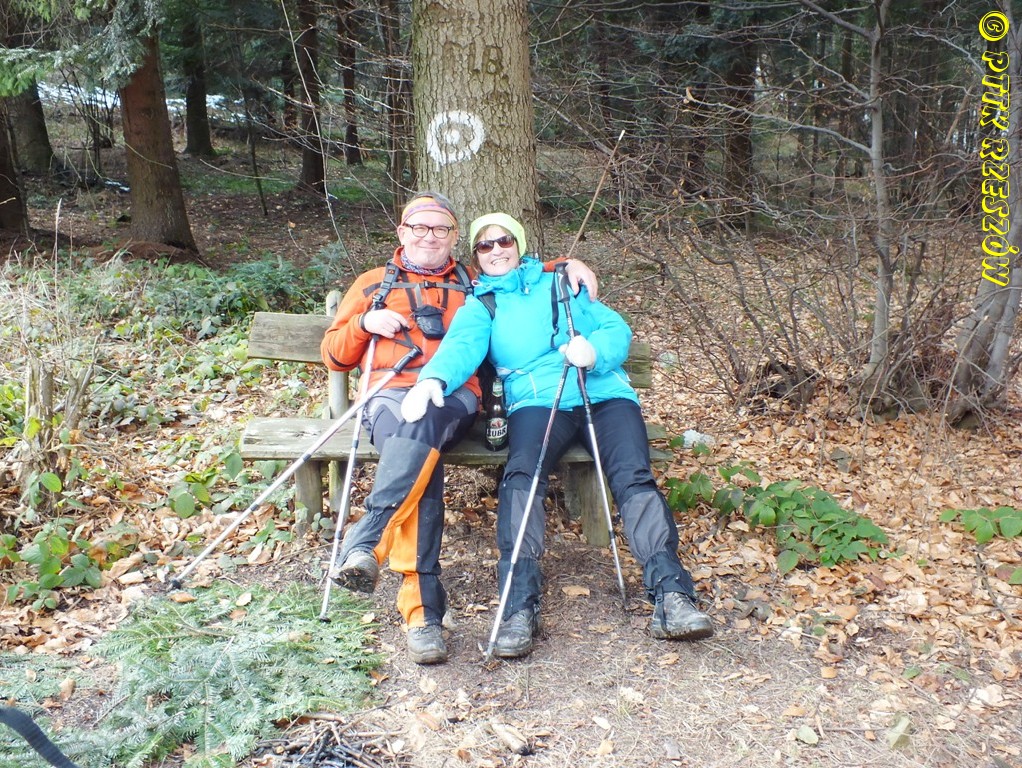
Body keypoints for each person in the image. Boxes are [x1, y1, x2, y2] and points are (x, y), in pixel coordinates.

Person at [401, 212, 714, 659]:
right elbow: (461, 348)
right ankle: (518, 607)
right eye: (485, 245)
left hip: (604, 393)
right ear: (476, 255)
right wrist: (434, 379)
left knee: (633, 476)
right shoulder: (482, 304)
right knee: (522, 478)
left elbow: (614, 328)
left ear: (519, 244)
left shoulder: (563, 284)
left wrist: (595, 352)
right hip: (538, 400)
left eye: (504, 241)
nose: (495, 250)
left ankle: (672, 596)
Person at [320, 192, 598, 665]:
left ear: (453, 237)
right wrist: (364, 322)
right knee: (419, 459)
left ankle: (372, 544)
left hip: (454, 397)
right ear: (402, 232)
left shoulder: (471, 282)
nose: (429, 237)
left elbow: (518, 270)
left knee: (422, 426)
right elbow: (334, 356)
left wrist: (568, 263)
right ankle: (422, 614)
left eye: (441, 229)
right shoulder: (373, 284)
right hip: (389, 393)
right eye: (420, 227)